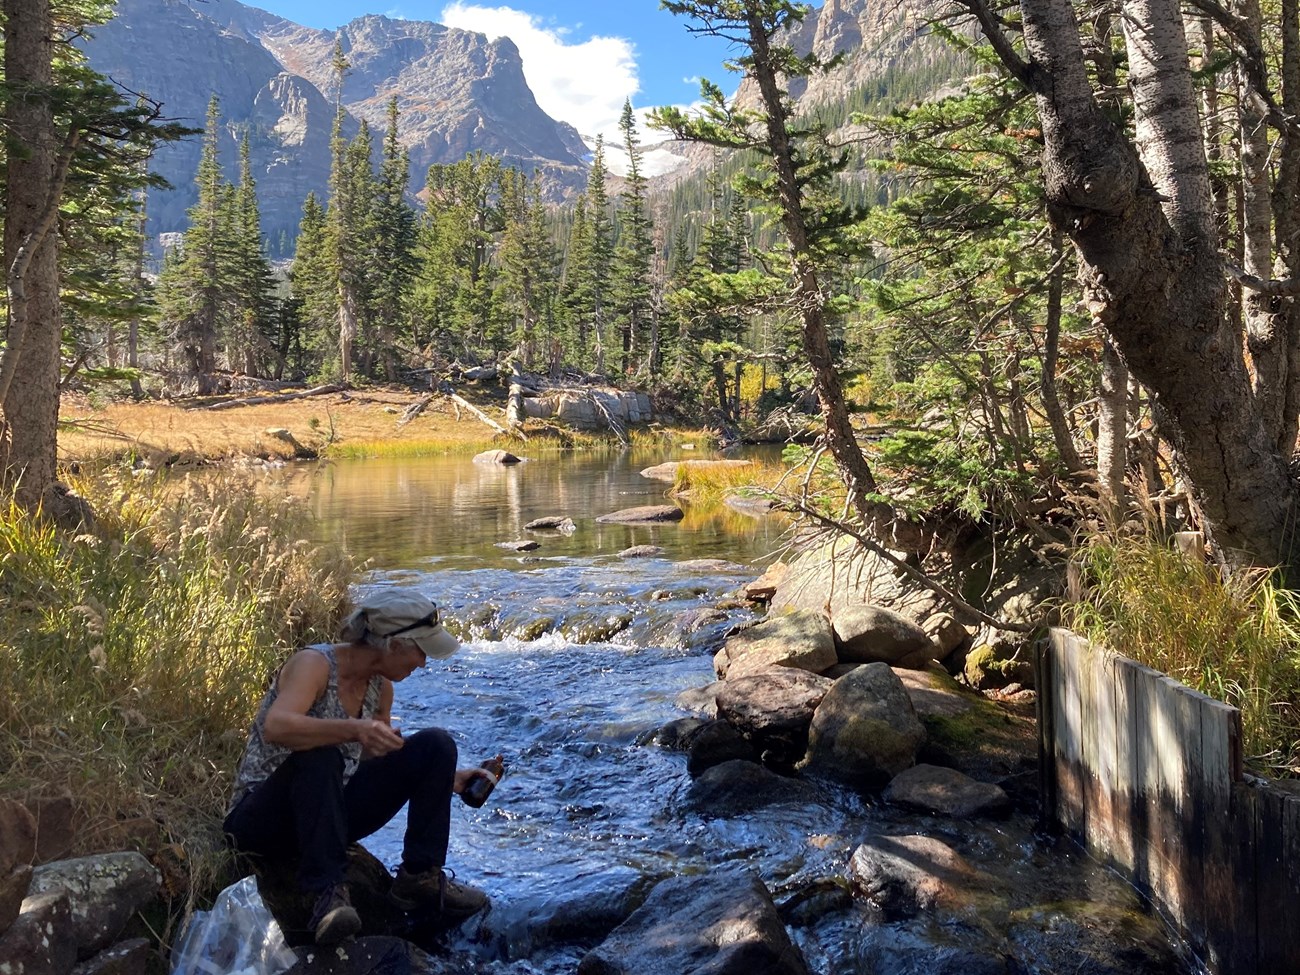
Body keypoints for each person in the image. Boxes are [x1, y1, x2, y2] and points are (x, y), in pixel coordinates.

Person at [223, 589, 493, 945]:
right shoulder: (314, 664)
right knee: (321, 755)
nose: (424, 663)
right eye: (421, 651)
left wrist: (444, 778)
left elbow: (366, 760)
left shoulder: (380, 688)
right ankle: (328, 898)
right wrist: (353, 729)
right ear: (393, 644)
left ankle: (418, 877)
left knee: (436, 746)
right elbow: (277, 726)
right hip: (261, 820)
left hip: (325, 814)